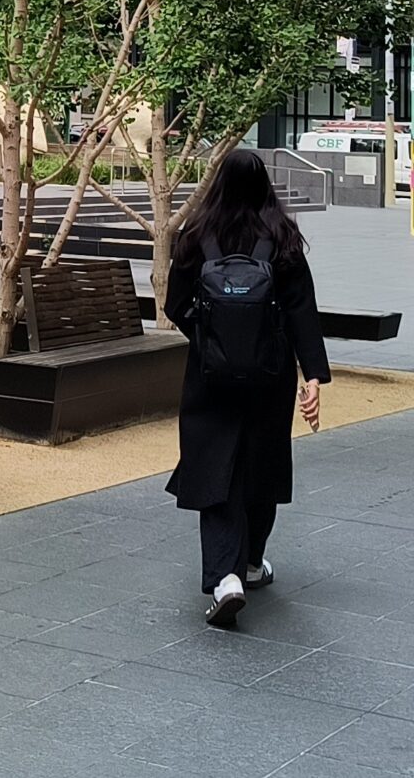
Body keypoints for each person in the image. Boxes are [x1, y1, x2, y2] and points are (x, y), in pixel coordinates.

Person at [164, 147, 329, 629]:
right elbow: (301, 311)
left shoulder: (196, 236)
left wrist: (210, 339)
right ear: (264, 185)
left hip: (210, 379)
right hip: (270, 376)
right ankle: (252, 562)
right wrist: (311, 375)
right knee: (262, 467)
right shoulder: (281, 236)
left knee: (215, 471)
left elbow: (175, 303)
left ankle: (224, 579)